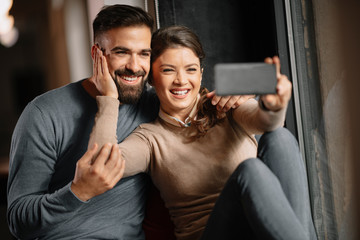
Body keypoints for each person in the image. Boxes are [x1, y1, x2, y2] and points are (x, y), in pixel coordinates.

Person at [7, 5, 244, 239]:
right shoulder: (43, 113)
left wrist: (235, 96)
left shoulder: (157, 103)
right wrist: (78, 192)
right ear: (96, 53)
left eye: (144, 54)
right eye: (122, 52)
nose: (134, 66)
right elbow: (19, 221)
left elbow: (196, 99)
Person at [89, 25, 318, 240]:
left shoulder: (225, 105)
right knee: (250, 169)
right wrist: (108, 99)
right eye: (168, 70)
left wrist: (274, 106)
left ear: (200, 74)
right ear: (152, 78)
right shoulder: (150, 139)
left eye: (190, 69)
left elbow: (265, 121)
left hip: (263, 229)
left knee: (280, 137)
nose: (181, 80)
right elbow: (101, 164)